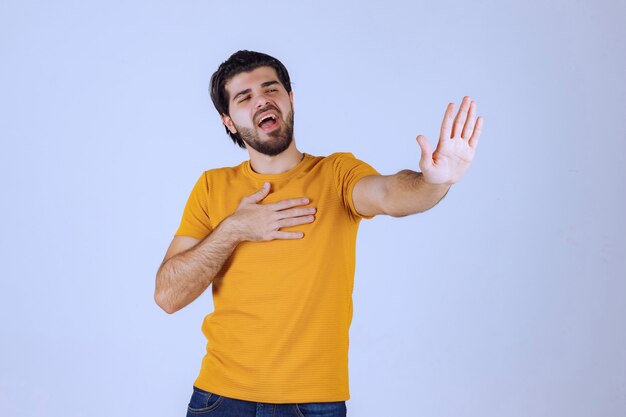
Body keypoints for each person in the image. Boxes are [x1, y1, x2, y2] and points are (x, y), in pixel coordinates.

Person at [154, 50, 483, 417]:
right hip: (219, 399)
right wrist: (234, 229)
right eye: (244, 97)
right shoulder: (212, 186)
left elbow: (391, 194)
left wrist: (433, 182)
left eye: (271, 88)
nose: (261, 99)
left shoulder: (336, 174)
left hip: (312, 404)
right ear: (229, 121)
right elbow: (168, 295)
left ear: (290, 100)